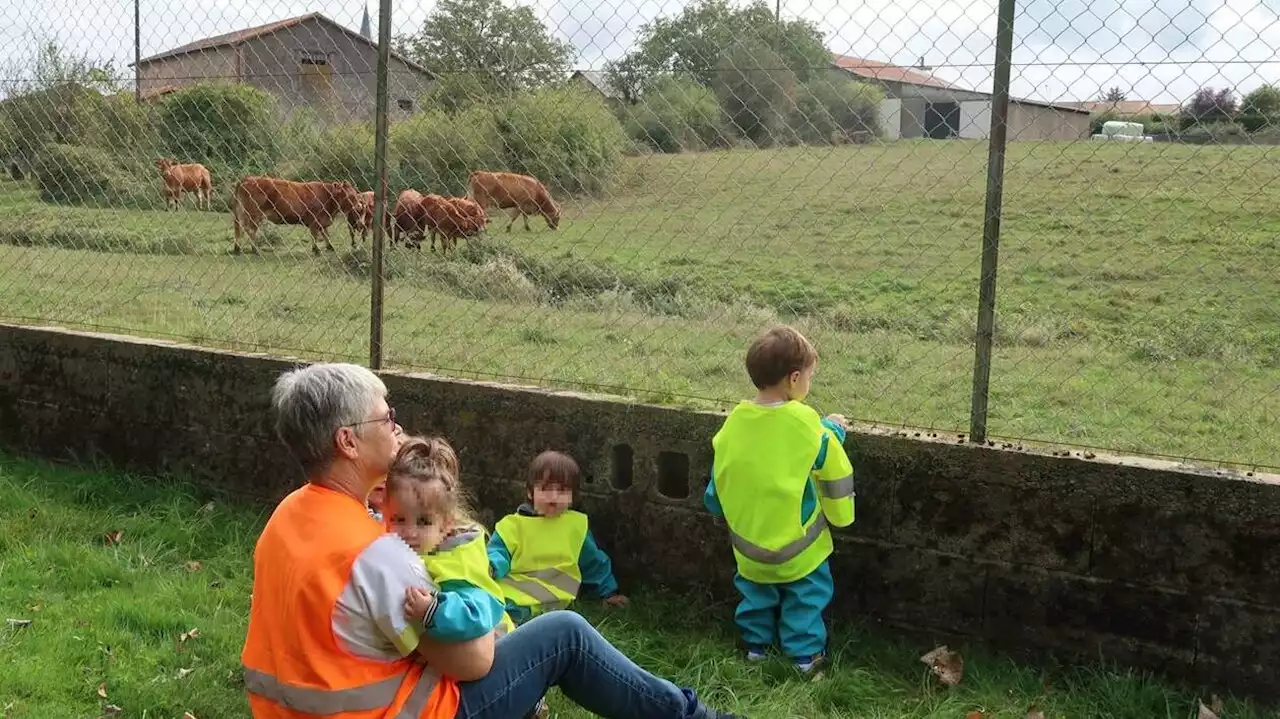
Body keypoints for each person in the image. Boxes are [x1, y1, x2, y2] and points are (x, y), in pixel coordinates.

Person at [242, 361, 739, 719]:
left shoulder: (292, 512)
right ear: (347, 442)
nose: (397, 427)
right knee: (563, 632)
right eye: (385, 418)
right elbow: (474, 662)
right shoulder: (376, 554)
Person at [702, 325, 856, 674]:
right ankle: (805, 658)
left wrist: (716, 509)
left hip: (749, 547)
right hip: (800, 548)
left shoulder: (735, 422)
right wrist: (835, 428)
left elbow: (719, 474)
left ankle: (755, 650)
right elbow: (830, 463)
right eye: (809, 378)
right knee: (805, 597)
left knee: (755, 597)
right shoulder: (806, 422)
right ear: (794, 378)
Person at [385, 435, 517, 641]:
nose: (410, 532)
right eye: (399, 519)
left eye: (424, 522)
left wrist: (433, 610)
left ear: (446, 525)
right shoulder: (416, 548)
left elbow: (479, 613)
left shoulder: (457, 560)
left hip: (500, 648)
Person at [487, 450, 629, 626]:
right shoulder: (512, 525)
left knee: (512, 613)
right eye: (546, 489)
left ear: (572, 496)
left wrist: (608, 593)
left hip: (552, 591)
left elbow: (594, 563)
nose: (554, 497)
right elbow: (498, 552)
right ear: (531, 492)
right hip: (511, 588)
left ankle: (506, 625)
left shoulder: (575, 526)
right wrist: (491, 567)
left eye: (562, 491)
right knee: (489, 603)